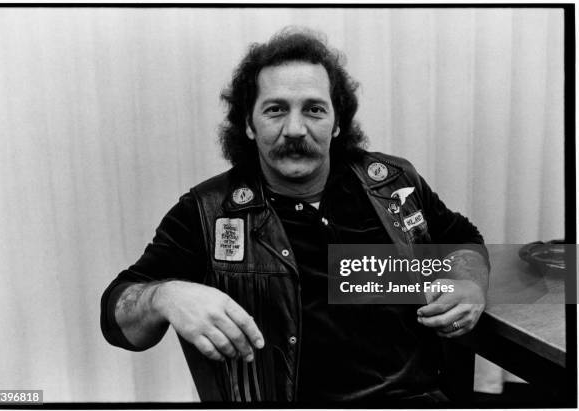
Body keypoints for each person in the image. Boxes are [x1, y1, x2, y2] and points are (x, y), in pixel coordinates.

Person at [100, 28, 489, 404]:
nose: (295, 129)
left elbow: (463, 238)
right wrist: (163, 296)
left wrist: (470, 284)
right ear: (249, 125)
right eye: (275, 110)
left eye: (314, 110)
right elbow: (118, 319)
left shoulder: (391, 183)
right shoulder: (208, 211)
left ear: (337, 123)